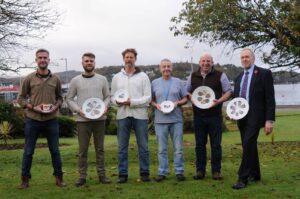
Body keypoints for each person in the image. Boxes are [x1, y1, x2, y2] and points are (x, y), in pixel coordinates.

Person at [17, 49, 66, 189]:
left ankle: (59, 178)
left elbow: (60, 98)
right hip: (33, 120)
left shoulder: (56, 79)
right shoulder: (29, 78)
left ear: (49, 60)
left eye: (45, 57)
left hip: (51, 120)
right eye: (40, 58)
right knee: (28, 151)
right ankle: (25, 180)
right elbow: (20, 99)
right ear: (36, 60)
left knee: (55, 150)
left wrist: (56, 106)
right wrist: (33, 107)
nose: (43, 60)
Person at [232, 48, 275, 189]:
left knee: (248, 143)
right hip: (241, 118)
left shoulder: (264, 74)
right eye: (242, 57)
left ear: (253, 58)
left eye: (247, 57)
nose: (245, 59)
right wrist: (232, 112)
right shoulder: (238, 78)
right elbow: (236, 100)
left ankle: (242, 178)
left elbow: (270, 98)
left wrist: (269, 120)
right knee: (248, 145)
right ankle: (255, 173)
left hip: (256, 117)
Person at [66, 52, 111, 187]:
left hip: (100, 119)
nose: (89, 63)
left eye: (91, 61)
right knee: (82, 150)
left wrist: (105, 107)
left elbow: (108, 96)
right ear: (82, 63)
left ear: (94, 63)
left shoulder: (102, 79)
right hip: (82, 120)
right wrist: (78, 110)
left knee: (100, 149)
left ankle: (102, 175)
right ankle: (82, 176)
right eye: (86, 61)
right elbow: (68, 98)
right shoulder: (75, 81)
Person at [186, 53, 232, 180]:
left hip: (215, 116)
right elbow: (186, 91)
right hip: (198, 117)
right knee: (200, 145)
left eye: (208, 61)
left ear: (212, 62)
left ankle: (216, 171)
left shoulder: (220, 75)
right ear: (199, 62)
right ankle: (200, 171)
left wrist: (220, 101)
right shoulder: (192, 76)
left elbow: (228, 91)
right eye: (203, 61)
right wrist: (192, 98)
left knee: (216, 145)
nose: (206, 63)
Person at [111, 48, 151, 183]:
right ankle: (122, 174)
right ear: (123, 59)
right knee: (122, 147)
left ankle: (144, 172)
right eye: (127, 57)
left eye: (131, 57)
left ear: (135, 59)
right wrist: (116, 102)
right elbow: (112, 97)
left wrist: (132, 102)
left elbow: (148, 98)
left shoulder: (143, 76)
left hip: (140, 116)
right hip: (123, 115)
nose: (129, 59)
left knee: (143, 146)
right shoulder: (116, 77)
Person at [151, 59, 188, 182]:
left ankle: (179, 171)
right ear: (160, 68)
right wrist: (156, 105)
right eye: (164, 66)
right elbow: (150, 99)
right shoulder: (154, 83)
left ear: (171, 68)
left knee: (178, 148)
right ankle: (162, 172)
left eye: (168, 66)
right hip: (160, 121)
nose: (166, 68)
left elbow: (185, 98)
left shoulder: (178, 82)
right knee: (162, 149)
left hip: (176, 120)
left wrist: (177, 103)